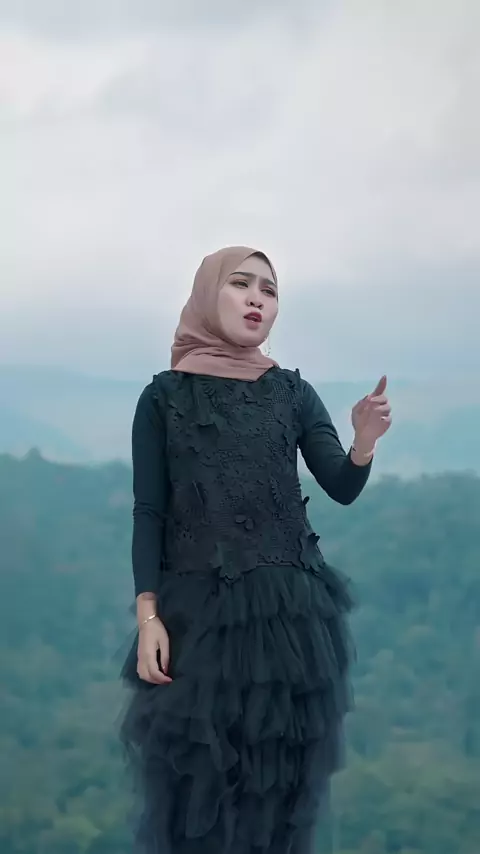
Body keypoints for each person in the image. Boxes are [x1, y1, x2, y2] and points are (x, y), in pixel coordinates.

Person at [120, 246, 392, 854]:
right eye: (241, 284)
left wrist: (364, 442)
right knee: (202, 794)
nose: (256, 299)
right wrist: (148, 616)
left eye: (269, 290)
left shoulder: (293, 392)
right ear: (207, 294)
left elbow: (342, 485)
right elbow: (148, 513)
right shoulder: (163, 398)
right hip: (198, 620)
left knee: (280, 796)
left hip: (291, 620)